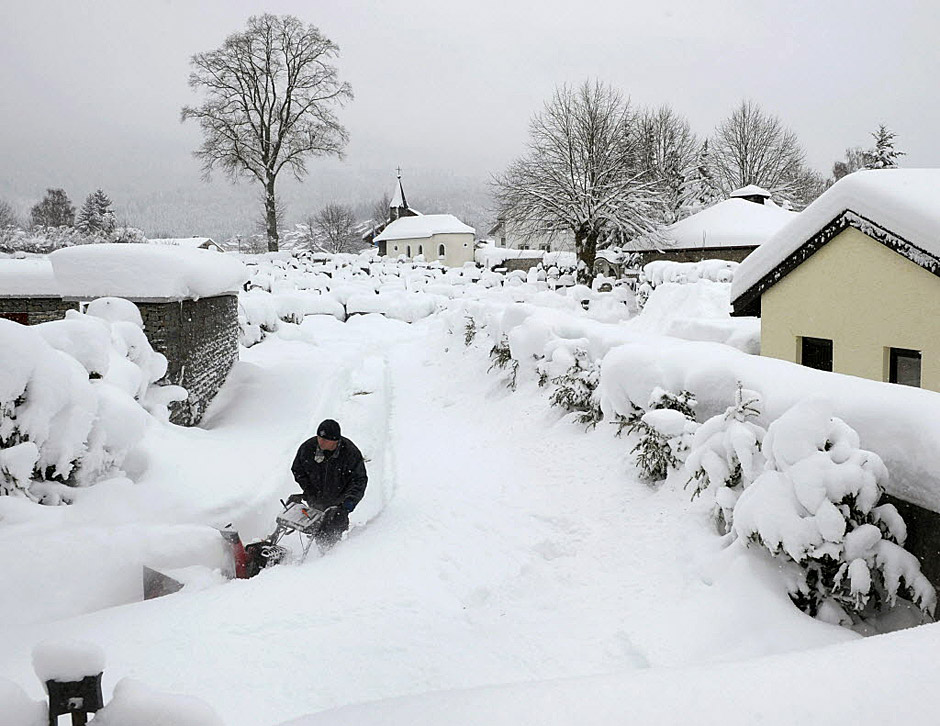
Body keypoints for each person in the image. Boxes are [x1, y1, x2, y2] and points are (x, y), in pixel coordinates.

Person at [289, 419, 368, 549]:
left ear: (335, 441)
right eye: (319, 437)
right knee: (318, 529)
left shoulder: (350, 453)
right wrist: (308, 490)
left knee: (332, 533)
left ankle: (331, 559)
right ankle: (320, 553)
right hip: (316, 498)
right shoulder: (308, 448)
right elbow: (297, 469)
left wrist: (347, 504)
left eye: (325, 439)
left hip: (339, 503)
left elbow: (359, 480)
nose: (320, 441)